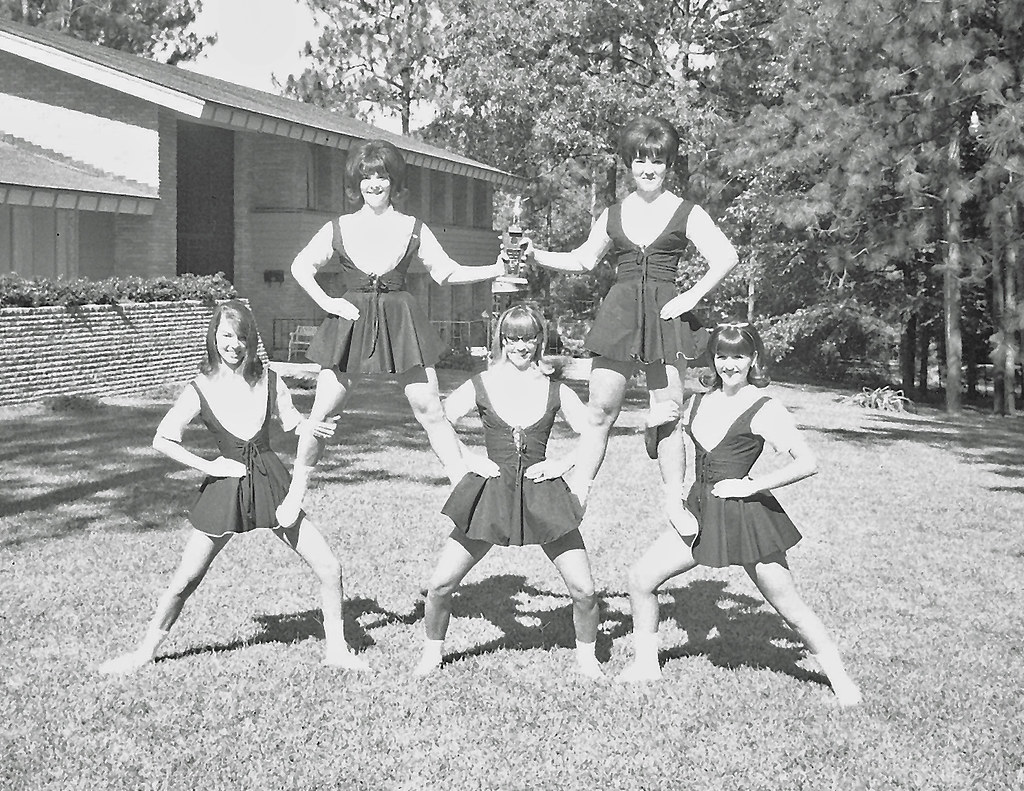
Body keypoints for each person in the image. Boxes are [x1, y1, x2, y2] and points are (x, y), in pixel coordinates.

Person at [99, 301, 369, 674]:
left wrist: (312, 426)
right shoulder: (198, 388)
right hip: (226, 488)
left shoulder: (270, 379)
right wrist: (209, 465)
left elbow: (292, 423)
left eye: (242, 337)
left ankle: (337, 650)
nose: (234, 344)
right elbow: (163, 439)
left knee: (329, 566)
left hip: (272, 483)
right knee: (186, 579)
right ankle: (143, 653)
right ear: (214, 337)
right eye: (226, 335)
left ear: (250, 339)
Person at [615, 322, 862, 707]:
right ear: (713, 360)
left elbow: (808, 463)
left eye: (739, 356)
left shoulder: (765, 407)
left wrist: (752, 486)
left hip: (747, 516)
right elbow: (657, 450)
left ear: (753, 360)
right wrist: (650, 427)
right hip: (698, 513)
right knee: (641, 578)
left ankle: (841, 680)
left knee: (789, 607)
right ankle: (646, 665)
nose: (730, 365)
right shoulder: (697, 401)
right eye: (722, 356)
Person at [522, 115, 739, 535]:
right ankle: (579, 493)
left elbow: (725, 257)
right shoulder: (613, 213)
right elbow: (584, 260)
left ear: (669, 164)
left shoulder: (686, 211)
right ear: (629, 163)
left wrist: (690, 298)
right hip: (620, 315)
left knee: (668, 414)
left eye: (657, 160)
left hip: (665, 317)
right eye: (640, 159)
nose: (648, 168)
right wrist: (536, 255)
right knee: (601, 409)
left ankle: (674, 502)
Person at [275, 139, 508, 527]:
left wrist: (497, 270)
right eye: (366, 177)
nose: (374, 184)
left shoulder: (413, 227)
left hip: (401, 320)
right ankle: (295, 492)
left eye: (381, 176)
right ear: (357, 183)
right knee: (323, 412)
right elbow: (302, 266)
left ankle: (462, 491)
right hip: (349, 322)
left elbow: (446, 272)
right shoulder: (339, 227)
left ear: (393, 181)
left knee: (430, 409)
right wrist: (329, 303)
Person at [413, 304, 603, 679]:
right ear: (502, 338)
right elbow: (438, 422)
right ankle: (431, 656)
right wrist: (468, 459)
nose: (521, 346)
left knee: (584, 591)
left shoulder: (555, 388)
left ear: (539, 339)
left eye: (529, 337)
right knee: (439, 584)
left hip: (543, 494)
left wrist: (562, 464)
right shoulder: (481, 383)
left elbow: (595, 431)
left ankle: (587, 659)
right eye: (513, 337)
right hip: (491, 496)